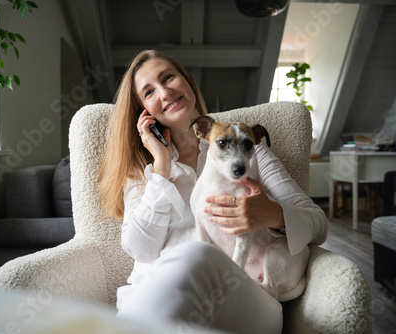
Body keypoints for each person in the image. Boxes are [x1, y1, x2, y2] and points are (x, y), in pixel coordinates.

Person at [99, 49, 328, 334]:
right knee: (190, 259)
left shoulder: (248, 151)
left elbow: (318, 225)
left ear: (188, 80)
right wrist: (161, 165)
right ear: (144, 112)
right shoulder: (144, 169)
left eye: (168, 77)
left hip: (246, 297)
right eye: (149, 92)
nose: (164, 92)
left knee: (197, 255)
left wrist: (274, 214)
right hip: (156, 301)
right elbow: (140, 251)